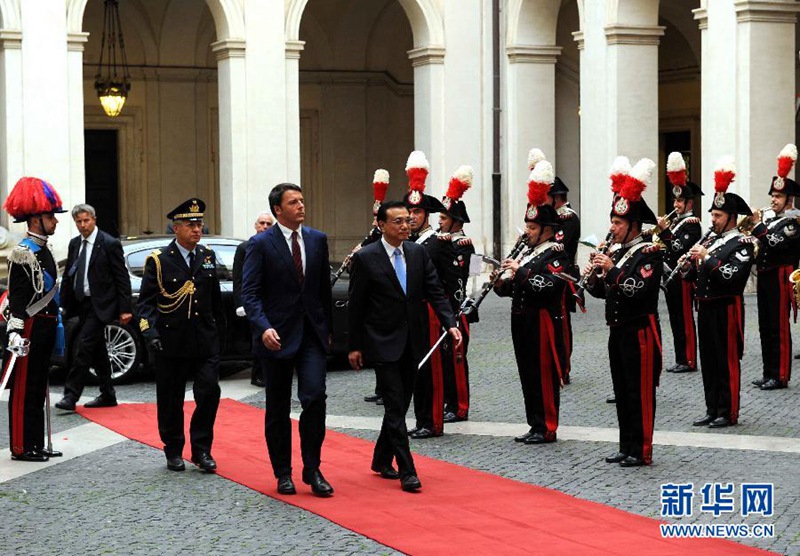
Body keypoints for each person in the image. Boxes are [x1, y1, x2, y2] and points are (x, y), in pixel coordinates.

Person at [347, 200, 461, 492]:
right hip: (382, 341)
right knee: (395, 405)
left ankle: (381, 458)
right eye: (397, 221)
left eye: (407, 220)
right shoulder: (367, 258)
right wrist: (355, 345)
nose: (404, 225)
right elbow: (356, 306)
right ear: (382, 226)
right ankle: (407, 469)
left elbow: (435, 291)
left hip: (414, 340)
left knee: (401, 403)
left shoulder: (417, 252)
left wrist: (450, 324)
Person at [241, 183, 334, 497]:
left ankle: (313, 468)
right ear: (278, 210)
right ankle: (283, 472)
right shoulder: (260, 244)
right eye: (294, 202)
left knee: (314, 397)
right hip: (276, 337)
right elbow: (250, 293)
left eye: (302, 201)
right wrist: (263, 327)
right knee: (278, 407)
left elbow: (323, 291)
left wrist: (327, 330)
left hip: (310, 334)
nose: (301, 206)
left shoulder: (317, 240)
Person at [585, 158, 663, 467]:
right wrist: (592, 275)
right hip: (617, 329)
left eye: (618, 223)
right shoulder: (617, 252)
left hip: (639, 329)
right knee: (621, 389)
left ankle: (641, 449)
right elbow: (604, 292)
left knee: (639, 392)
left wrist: (612, 269)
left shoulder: (649, 252)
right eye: (613, 222)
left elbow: (637, 288)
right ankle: (625, 444)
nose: (613, 228)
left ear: (633, 225)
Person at [138, 198, 224, 473]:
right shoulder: (159, 261)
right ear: (176, 228)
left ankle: (201, 450)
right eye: (190, 225)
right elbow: (147, 303)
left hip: (204, 341)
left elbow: (214, 299)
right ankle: (173, 449)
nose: (197, 229)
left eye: (199, 224)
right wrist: (149, 332)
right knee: (171, 399)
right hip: (171, 341)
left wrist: (222, 333)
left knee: (209, 392)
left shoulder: (207, 257)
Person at [495, 161, 567, 445]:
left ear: (547, 229)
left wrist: (520, 271)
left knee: (543, 374)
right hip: (522, 320)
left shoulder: (555, 254)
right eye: (527, 225)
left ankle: (548, 425)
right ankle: (534, 423)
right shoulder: (529, 253)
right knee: (527, 373)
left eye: (532, 226)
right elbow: (516, 288)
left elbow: (549, 286)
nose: (527, 231)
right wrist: (501, 282)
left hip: (542, 322)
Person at [684, 158, 754, 428]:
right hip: (705, 306)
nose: (712, 220)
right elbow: (696, 275)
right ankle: (712, 408)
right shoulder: (710, 239)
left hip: (727, 307)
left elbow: (732, 277)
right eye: (712, 215)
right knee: (709, 359)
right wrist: (689, 266)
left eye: (718, 216)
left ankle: (728, 411)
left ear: (731, 219)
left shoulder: (741, 243)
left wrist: (707, 259)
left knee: (726, 360)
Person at [1, 177, 67, 461]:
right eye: (50, 216)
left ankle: (36, 442)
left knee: (38, 387)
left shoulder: (45, 250)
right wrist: (15, 334)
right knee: (23, 390)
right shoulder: (22, 254)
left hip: (47, 326)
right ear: (36, 219)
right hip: (28, 328)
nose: (55, 221)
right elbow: (16, 299)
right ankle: (21, 446)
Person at [55, 204, 132, 411]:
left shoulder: (108, 243)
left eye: (86, 220)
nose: (83, 225)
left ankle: (70, 396)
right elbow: (69, 276)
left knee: (83, 348)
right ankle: (108, 394)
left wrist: (125, 308)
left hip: (102, 305)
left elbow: (121, 277)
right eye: (79, 222)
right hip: (82, 304)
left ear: (94, 219)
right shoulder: (74, 244)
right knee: (97, 350)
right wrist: (63, 305)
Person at [403, 150, 452, 439]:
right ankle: (422, 418)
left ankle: (432, 421)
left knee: (431, 368)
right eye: (409, 212)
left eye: (417, 213)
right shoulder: (407, 242)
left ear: (426, 215)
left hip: (432, 311)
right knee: (416, 368)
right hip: (413, 312)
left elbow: (447, 280)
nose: (411, 217)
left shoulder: (436, 242)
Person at [749, 144, 800, 391]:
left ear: (788, 199)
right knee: (765, 325)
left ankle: (780, 375)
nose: (773, 200)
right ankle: (768, 371)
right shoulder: (772, 220)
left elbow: (776, 243)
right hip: (767, 275)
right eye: (772, 196)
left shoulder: (793, 222)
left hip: (782, 276)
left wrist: (759, 227)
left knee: (778, 326)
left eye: (777, 197)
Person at [655, 153, 703, 374]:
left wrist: (664, 232)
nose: (676, 204)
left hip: (683, 277)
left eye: (680, 201)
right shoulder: (676, 222)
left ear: (689, 203)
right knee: (675, 318)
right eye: (675, 200)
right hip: (669, 276)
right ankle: (681, 357)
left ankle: (689, 359)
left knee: (684, 318)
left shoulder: (692, 224)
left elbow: (678, 248)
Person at [438, 165, 476, 423]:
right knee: (444, 359)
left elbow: (461, 278)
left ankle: (459, 406)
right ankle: (447, 401)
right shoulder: (440, 242)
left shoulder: (463, 245)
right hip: (442, 308)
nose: (439, 221)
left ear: (456, 221)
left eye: (443, 217)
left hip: (457, 309)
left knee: (457, 360)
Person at [232, 211, 273, 387]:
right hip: (253, 301)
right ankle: (258, 375)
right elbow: (238, 278)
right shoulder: (244, 247)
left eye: (268, 224)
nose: (264, 226)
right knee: (259, 338)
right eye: (261, 223)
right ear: (255, 226)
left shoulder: (276, 245)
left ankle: (269, 372)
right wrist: (240, 304)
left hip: (272, 301)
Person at [548, 173, 580, 384]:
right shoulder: (552, 217)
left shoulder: (568, 218)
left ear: (556, 198)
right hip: (549, 274)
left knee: (561, 322)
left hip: (563, 275)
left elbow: (559, 246)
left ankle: (564, 368)